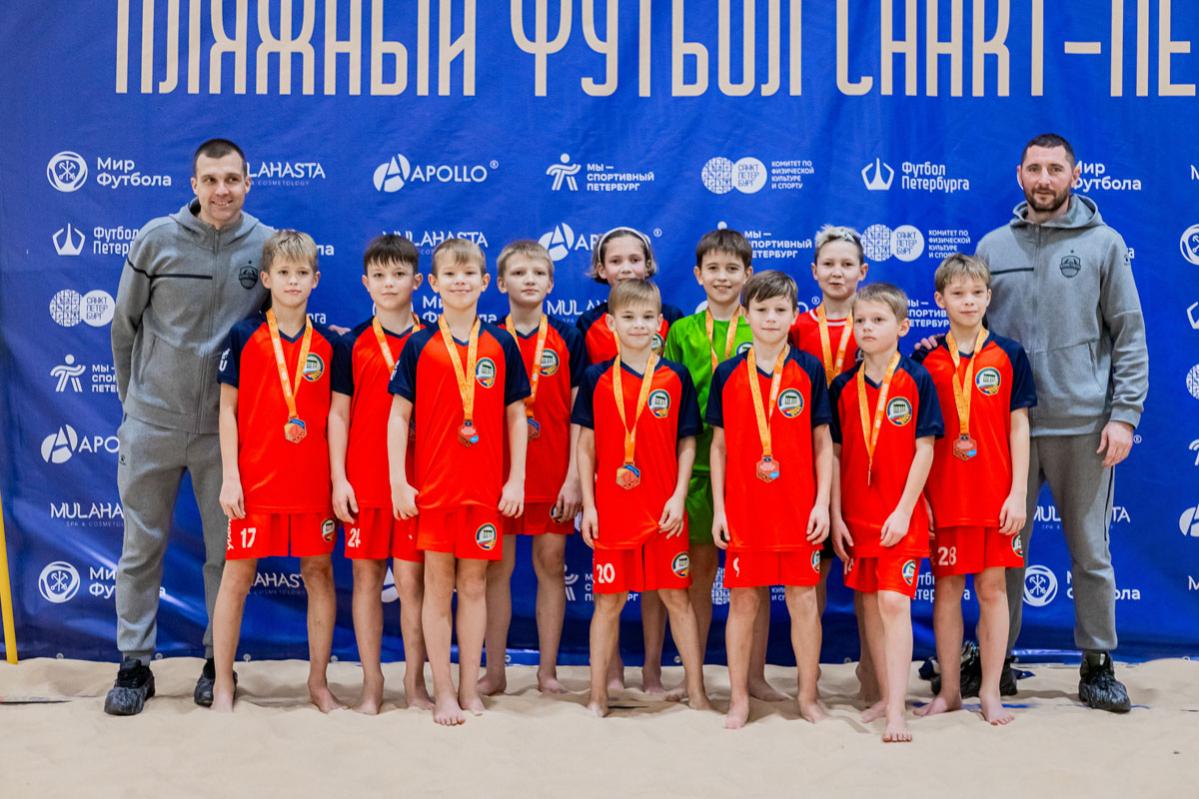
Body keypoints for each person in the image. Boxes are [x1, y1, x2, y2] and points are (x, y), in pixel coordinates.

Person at [975, 133, 1147, 712]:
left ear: (1074, 175)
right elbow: (973, 331)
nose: (1044, 179)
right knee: (1003, 552)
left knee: (1091, 552)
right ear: (1019, 175)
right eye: (1035, 169)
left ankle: (1097, 664)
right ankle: (995, 660)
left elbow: (1129, 335)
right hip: (1009, 429)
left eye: (1055, 169)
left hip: (1083, 427)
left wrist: (1124, 416)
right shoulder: (994, 246)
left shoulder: (1104, 243)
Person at [106, 138, 273, 715]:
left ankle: (215, 662)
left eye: (232, 179)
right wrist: (136, 406)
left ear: (248, 183)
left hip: (222, 435)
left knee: (224, 556)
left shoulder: (266, 245)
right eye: (211, 180)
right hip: (151, 424)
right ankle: (134, 664)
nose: (222, 190)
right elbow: (123, 328)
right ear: (193, 184)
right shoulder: (156, 239)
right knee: (140, 548)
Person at [387, 238, 530, 725]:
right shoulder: (419, 344)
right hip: (434, 491)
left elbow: (517, 417)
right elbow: (397, 417)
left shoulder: (502, 344)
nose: (460, 281)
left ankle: (470, 688)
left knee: (474, 586)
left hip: (485, 491)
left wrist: (516, 480)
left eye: (469, 274)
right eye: (450, 274)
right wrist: (399, 482)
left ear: (486, 282)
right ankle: (443, 691)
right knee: (437, 587)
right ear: (433, 283)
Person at [210, 230, 341, 712]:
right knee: (237, 577)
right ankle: (223, 684)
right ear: (266, 278)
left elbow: (337, 417)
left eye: (302, 273)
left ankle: (318, 684)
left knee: (319, 573)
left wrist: (338, 480)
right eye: (283, 272)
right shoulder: (243, 336)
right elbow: (227, 411)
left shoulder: (330, 344)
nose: (292, 281)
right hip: (255, 483)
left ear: (315, 280)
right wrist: (230, 476)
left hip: (311, 485)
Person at [572, 278, 711, 717]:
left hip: (663, 510)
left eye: (647, 317)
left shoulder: (675, 376)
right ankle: (597, 695)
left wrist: (678, 495)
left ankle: (697, 691)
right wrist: (589, 505)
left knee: (676, 598)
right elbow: (585, 446)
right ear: (610, 323)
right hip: (613, 511)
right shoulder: (596, 377)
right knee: (608, 602)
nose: (638, 325)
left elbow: (687, 442)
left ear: (660, 324)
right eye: (628, 317)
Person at [663, 229, 787, 702]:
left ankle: (754, 676)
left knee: (754, 580)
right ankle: (692, 677)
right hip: (697, 468)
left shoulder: (764, 324)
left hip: (756, 471)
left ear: (748, 274)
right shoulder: (681, 332)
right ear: (698, 275)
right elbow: (670, 400)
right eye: (713, 269)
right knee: (696, 576)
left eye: (732, 269)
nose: (722, 277)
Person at [914, 254, 1036, 726]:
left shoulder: (1010, 354)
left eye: (976, 293)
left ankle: (989, 690)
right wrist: (921, 500)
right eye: (957, 294)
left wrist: (1018, 493)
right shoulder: (925, 358)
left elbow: (1019, 426)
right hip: (945, 497)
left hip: (994, 497)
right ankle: (949, 690)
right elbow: (917, 439)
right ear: (939, 300)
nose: (968, 302)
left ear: (989, 297)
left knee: (992, 589)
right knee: (947, 591)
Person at [708, 270, 833, 728]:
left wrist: (821, 504)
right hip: (744, 510)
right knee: (743, 603)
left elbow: (823, 443)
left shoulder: (810, 369)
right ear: (745, 314)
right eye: (761, 309)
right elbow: (718, 447)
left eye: (781, 310)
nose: (771, 318)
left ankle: (807, 696)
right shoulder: (728, 373)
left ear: (795, 314)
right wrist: (720, 509)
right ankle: (739, 698)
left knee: (804, 601)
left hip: (798, 510)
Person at [830, 283, 943, 742]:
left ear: (903, 326)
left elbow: (925, 449)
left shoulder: (917, 379)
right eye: (860, 320)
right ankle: (882, 695)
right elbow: (834, 454)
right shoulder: (842, 385)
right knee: (870, 607)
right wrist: (836, 515)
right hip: (856, 516)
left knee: (894, 603)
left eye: (878, 320)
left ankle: (897, 709)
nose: (867, 328)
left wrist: (904, 509)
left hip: (900, 516)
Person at [574, 227, 684, 694]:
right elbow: (583, 415)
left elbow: (671, 394)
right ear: (601, 270)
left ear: (648, 265)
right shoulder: (585, 326)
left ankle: (653, 667)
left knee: (660, 581)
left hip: (658, 471)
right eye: (615, 261)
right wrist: (578, 483)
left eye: (634, 259)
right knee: (611, 590)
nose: (625, 268)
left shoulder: (672, 319)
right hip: (612, 477)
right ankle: (613, 670)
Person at [478, 240, 586, 696]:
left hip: (553, 471)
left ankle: (547, 671)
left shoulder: (569, 337)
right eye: (519, 273)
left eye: (538, 273)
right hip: (499, 474)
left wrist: (574, 476)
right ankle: (495, 671)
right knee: (495, 571)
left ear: (551, 284)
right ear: (501, 283)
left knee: (551, 564)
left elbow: (581, 414)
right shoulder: (486, 337)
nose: (529, 280)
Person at [328, 234, 431, 714]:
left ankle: (414, 683)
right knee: (366, 579)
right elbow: (338, 415)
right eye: (380, 275)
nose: (389, 283)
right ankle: (372, 684)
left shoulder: (434, 341)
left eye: (399, 274)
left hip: (417, 484)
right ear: (365, 283)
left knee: (412, 585)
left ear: (417, 281)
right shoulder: (350, 344)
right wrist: (339, 479)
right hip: (365, 482)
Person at [789, 224, 877, 700]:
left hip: (867, 458)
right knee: (813, 573)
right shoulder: (798, 328)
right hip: (811, 461)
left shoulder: (874, 321)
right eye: (829, 264)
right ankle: (812, 677)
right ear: (814, 271)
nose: (837, 272)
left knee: (869, 574)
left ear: (862, 271)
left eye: (847, 264)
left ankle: (871, 670)